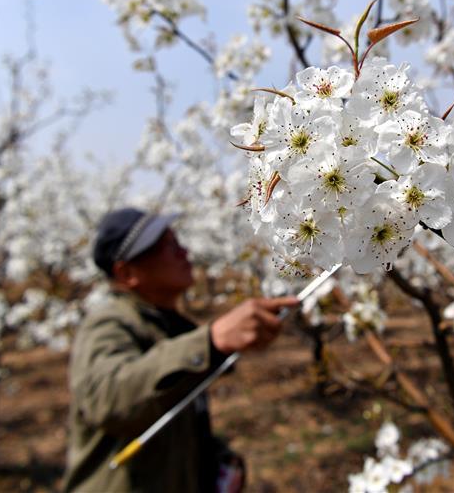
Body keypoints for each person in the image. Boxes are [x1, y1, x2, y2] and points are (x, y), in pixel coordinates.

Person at [62, 208, 297, 492]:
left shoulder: (169, 326)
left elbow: (173, 420)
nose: (184, 252)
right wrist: (211, 341)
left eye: (179, 241)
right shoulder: (108, 323)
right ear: (127, 273)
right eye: (167, 246)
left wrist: (215, 459)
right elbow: (108, 399)